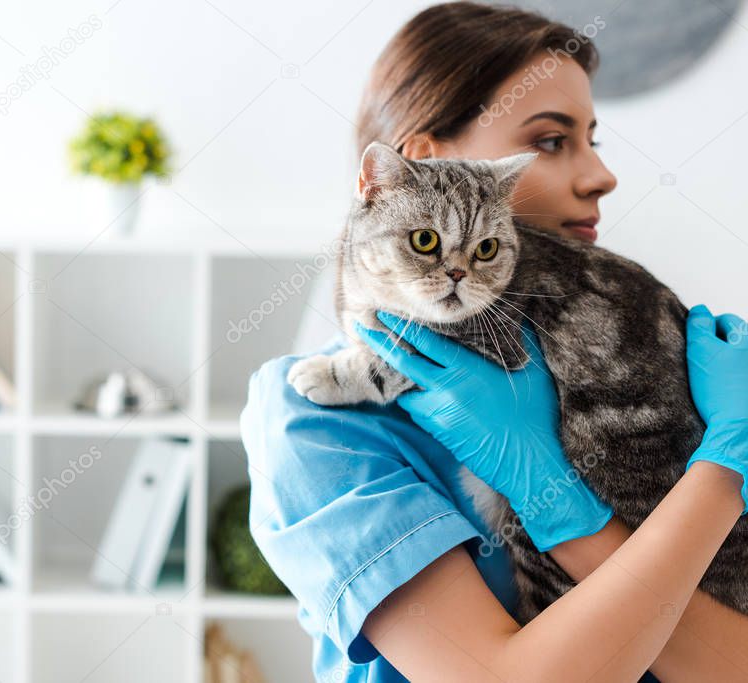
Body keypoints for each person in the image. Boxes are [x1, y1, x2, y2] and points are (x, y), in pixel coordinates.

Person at [238, 3, 748, 681]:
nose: (600, 175)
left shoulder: (643, 372)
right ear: (417, 164)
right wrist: (722, 471)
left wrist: (569, 507)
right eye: (547, 140)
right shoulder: (316, 423)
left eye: (593, 139)